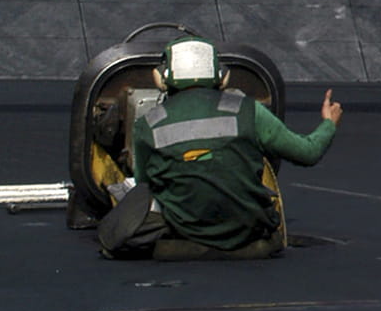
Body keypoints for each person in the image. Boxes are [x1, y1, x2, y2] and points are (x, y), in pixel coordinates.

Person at [98, 37, 343, 260]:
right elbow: (308, 153)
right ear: (223, 77)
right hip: (247, 231)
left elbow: (144, 182)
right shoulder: (251, 111)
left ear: (160, 78)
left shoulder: (147, 124)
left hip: (184, 229)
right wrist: (328, 124)